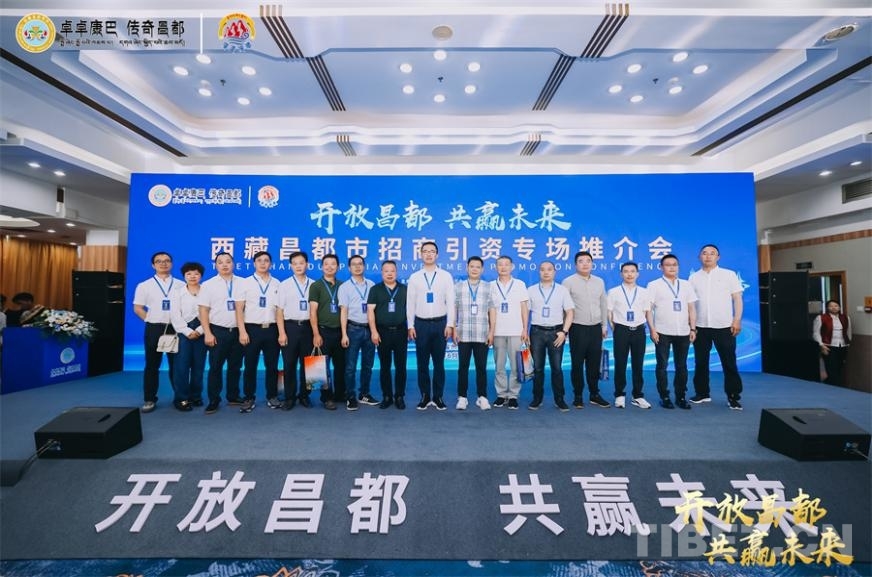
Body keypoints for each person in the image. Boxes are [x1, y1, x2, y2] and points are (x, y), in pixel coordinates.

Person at [689, 244, 744, 410]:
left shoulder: (729, 275)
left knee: (729, 362)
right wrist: (691, 326)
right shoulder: (693, 278)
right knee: (700, 362)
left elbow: (737, 298)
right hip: (701, 326)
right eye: (704, 253)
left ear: (718, 257)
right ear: (699, 257)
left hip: (724, 326)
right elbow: (690, 304)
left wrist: (736, 320)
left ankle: (733, 396)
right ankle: (702, 393)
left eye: (712, 253)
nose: (708, 256)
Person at [406, 241, 455, 411]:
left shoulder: (445, 276)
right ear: (420, 254)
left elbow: (451, 302)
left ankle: (438, 396)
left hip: (441, 324)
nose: (428, 254)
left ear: (437, 255)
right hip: (421, 325)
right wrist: (410, 325)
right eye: (425, 251)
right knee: (422, 363)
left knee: (439, 363)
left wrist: (450, 324)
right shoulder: (415, 277)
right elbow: (410, 303)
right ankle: (425, 396)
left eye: (432, 251)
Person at [646, 254, 698, 410]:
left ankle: (681, 396)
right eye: (668, 264)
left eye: (674, 264)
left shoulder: (686, 285)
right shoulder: (654, 285)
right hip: (662, 332)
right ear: (661, 267)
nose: (672, 267)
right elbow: (648, 310)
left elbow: (691, 308)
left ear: (678, 267)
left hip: (683, 331)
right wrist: (652, 329)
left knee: (682, 366)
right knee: (662, 365)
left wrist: (693, 328)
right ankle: (665, 396)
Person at [133, 252, 182, 413]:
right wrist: (151, 319)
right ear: (153, 265)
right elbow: (138, 308)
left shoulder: (181, 284)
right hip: (154, 328)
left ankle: (180, 397)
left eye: (167, 261)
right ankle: (149, 399)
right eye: (159, 261)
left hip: (175, 328)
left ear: (171, 264)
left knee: (177, 366)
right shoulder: (144, 285)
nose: (163, 264)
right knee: (152, 365)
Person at [198, 252, 245, 414]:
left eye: (228, 261)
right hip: (217, 331)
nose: (224, 265)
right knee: (215, 367)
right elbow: (203, 311)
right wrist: (207, 333)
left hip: (238, 331)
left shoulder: (242, 283)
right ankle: (214, 399)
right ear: (216, 265)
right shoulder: (208, 285)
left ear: (233, 264)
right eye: (220, 262)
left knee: (235, 366)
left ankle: (233, 396)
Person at [562, 251, 611, 408]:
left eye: (588, 261)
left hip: (596, 328)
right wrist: (564, 329)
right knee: (577, 363)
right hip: (577, 328)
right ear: (575, 264)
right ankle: (578, 395)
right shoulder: (568, 282)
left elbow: (603, 304)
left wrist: (604, 325)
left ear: (592, 264)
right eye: (581, 261)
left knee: (594, 363)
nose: (585, 264)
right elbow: (564, 308)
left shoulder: (599, 282)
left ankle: (594, 394)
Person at [235, 251, 281, 413]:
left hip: (272, 329)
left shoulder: (277, 283)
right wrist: (242, 331)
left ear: (271, 264)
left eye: (266, 260)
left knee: (272, 365)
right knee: (250, 365)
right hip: (251, 329)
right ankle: (249, 397)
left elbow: (279, 310)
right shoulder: (245, 283)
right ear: (254, 263)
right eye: (259, 260)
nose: (263, 263)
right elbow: (239, 309)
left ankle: (272, 396)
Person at [527, 261, 573, 411]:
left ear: (554, 272)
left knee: (557, 368)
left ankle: (559, 399)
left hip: (556, 333)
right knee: (538, 368)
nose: (546, 272)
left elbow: (570, 312)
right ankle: (537, 398)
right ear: (539, 272)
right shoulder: (531, 290)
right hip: (536, 333)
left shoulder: (562, 290)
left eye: (549, 269)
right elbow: (525, 313)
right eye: (542, 269)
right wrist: (524, 331)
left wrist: (564, 332)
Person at [607, 262, 652, 409]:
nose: (629, 274)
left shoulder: (644, 292)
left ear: (637, 274)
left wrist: (651, 328)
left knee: (638, 363)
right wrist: (615, 328)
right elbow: (609, 312)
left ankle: (637, 395)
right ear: (621, 274)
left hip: (639, 330)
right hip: (621, 330)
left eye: (632, 271)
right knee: (620, 363)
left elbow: (646, 312)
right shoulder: (613, 292)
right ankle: (619, 394)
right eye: (626, 271)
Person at [488, 255, 529, 409]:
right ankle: (501, 395)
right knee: (499, 365)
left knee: (516, 365)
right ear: (495, 267)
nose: (503, 267)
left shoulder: (519, 284)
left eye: (506, 264)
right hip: (498, 331)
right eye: (500, 264)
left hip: (516, 331)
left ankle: (513, 395)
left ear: (512, 267)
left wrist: (525, 329)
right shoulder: (491, 286)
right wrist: (491, 331)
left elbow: (524, 308)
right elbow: (490, 310)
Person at [453, 256, 493, 411]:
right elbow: (454, 309)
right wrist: (454, 328)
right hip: (463, 333)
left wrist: (491, 331)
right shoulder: (458, 287)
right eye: (472, 266)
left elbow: (492, 310)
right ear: (467, 268)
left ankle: (482, 397)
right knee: (462, 367)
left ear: (482, 269)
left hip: (482, 333)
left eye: (478, 267)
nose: (474, 269)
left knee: (481, 367)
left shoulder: (488, 287)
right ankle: (462, 397)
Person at [276, 251, 315, 410]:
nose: (299, 266)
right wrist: (281, 332)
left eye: (302, 263)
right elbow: (279, 311)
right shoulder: (284, 285)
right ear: (291, 266)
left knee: (309, 364)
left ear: (307, 264)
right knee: (289, 363)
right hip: (290, 327)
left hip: (308, 328)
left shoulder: (314, 284)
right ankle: (289, 397)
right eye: (295, 263)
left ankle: (305, 396)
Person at [367, 260, 408, 409]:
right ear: (382, 273)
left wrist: (411, 328)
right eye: (386, 271)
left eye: (392, 271)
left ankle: (399, 396)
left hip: (401, 331)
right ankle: (387, 396)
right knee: (385, 366)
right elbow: (370, 311)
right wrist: (374, 331)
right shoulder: (375, 289)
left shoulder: (404, 289)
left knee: (401, 366)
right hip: (382, 332)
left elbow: (410, 310)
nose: (389, 274)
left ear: (396, 272)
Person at [339, 255, 378, 410]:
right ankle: (350, 396)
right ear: (349, 268)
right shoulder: (345, 287)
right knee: (350, 366)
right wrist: (344, 333)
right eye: (354, 264)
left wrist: (375, 331)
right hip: (353, 329)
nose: (357, 267)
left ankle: (364, 394)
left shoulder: (371, 285)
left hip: (369, 329)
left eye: (360, 264)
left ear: (364, 266)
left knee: (368, 365)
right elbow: (343, 311)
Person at [309, 253, 345, 410]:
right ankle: (326, 398)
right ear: (322, 267)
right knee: (321, 368)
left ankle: (340, 394)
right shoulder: (316, 286)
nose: (330, 267)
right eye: (326, 264)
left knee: (341, 365)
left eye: (333, 264)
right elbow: (312, 312)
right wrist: (316, 334)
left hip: (340, 332)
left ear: (338, 267)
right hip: (323, 331)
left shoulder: (343, 285)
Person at [170, 262, 206, 412]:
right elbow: (174, 315)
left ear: (201, 276)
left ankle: (196, 396)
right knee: (181, 367)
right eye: (189, 274)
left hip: (202, 331)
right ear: (184, 276)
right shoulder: (177, 292)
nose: (192, 276)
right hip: (183, 332)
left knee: (199, 366)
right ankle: (181, 398)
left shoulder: (207, 291)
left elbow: (211, 312)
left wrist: (200, 330)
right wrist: (187, 331)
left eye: (196, 274)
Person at [813, 299, 852, 387]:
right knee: (831, 368)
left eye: (836, 306)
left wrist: (848, 342)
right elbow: (816, 333)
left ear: (839, 307)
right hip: (828, 346)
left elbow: (848, 331)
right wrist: (821, 345)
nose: (834, 308)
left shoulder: (846, 318)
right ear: (827, 308)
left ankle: (829, 384)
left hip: (842, 345)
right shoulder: (821, 318)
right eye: (831, 306)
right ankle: (836, 387)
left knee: (839, 367)